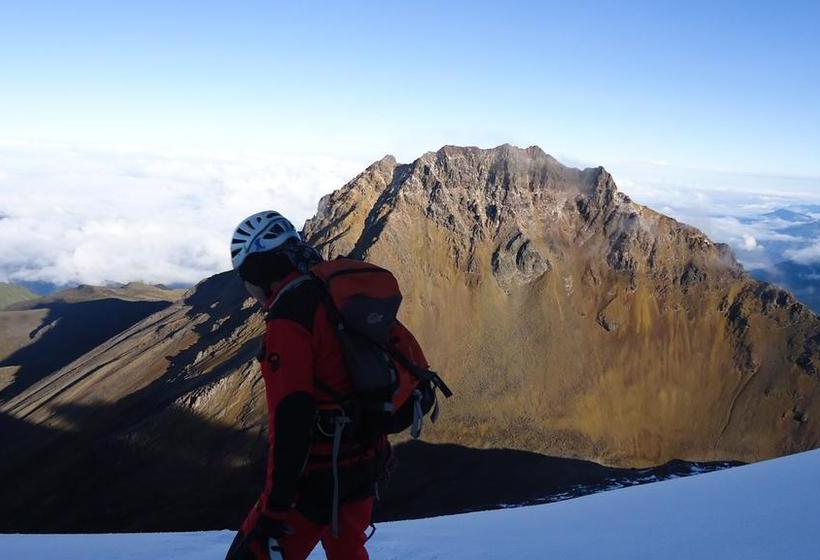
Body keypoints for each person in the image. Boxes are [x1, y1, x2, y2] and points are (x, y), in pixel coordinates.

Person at [225, 210, 384, 560]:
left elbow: (291, 420)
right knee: (348, 554)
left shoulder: (289, 317)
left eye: (246, 278)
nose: (249, 290)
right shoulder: (332, 294)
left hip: (320, 476)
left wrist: (274, 509)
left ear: (259, 272)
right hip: (365, 462)